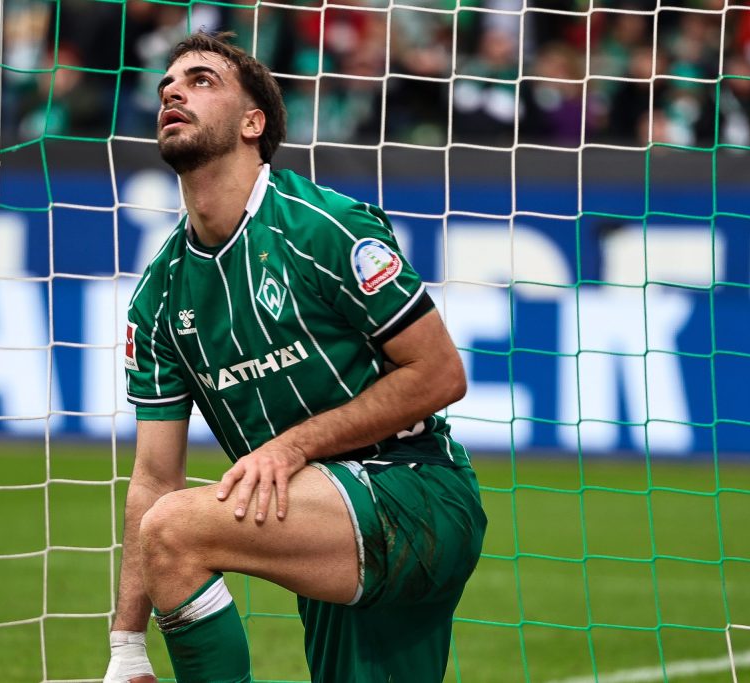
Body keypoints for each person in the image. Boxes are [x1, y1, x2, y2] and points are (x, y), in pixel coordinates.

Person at [103, 30, 486, 683]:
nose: (173, 92)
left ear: (253, 123)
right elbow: (154, 478)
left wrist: (291, 448)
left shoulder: (323, 227)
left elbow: (441, 373)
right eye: (167, 84)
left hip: (415, 488)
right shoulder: (159, 297)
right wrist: (127, 647)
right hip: (321, 519)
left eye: (201, 80)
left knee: (175, 530)